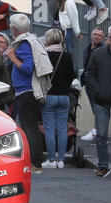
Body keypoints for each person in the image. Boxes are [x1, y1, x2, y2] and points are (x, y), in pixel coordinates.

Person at [5, 14, 47, 174]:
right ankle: (29, 161)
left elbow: (28, 68)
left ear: (14, 28)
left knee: (30, 128)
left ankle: (35, 163)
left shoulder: (24, 44)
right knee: (25, 127)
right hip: (24, 92)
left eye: (10, 26)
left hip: (26, 92)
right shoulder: (25, 42)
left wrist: (13, 58)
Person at [41, 28, 75, 169]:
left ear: (48, 39)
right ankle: (61, 160)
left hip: (49, 96)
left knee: (49, 129)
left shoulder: (44, 55)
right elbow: (72, 76)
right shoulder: (66, 56)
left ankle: (51, 159)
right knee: (62, 129)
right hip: (64, 96)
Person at [85, 24, 111, 177]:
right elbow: (89, 74)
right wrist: (96, 91)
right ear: (108, 39)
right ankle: (103, 165)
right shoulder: (98, 54)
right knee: (102, 135)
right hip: (101, 100)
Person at [81, 27, 104, 141]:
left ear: (103, 37)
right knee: (95, 109)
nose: (97, 36)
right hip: (87, 83)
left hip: (97, 84)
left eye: (99, 35)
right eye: (95, 34)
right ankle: (98, 131)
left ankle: (97, 132)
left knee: (98, 108)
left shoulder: (103, 50)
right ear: (91, 35)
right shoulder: (87, 48)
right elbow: (85, 66)